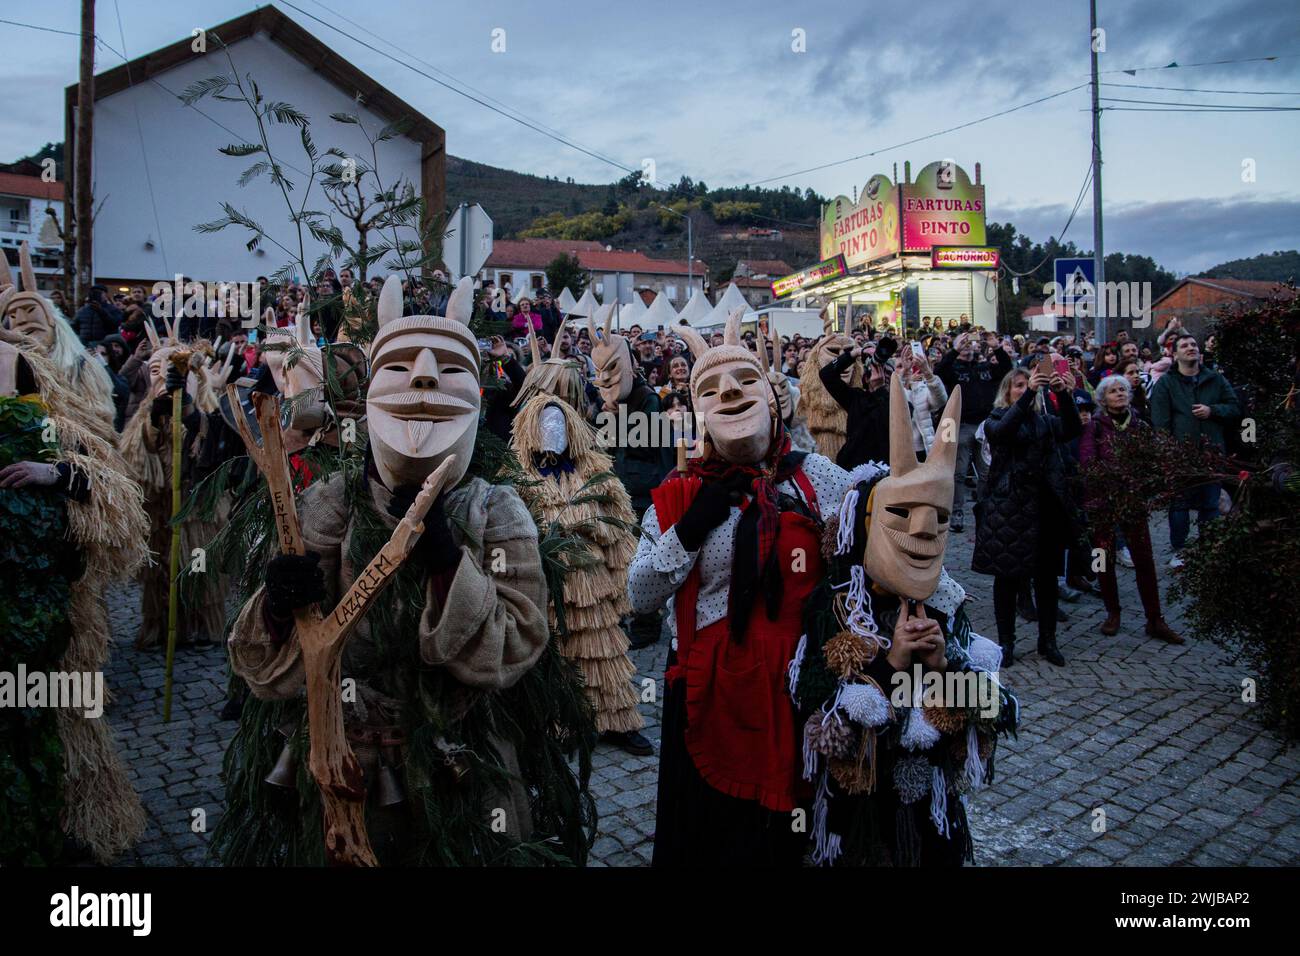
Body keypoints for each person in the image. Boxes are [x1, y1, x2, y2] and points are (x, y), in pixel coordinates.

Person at [218, 276, 595, 866]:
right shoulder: (330, 503)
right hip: (342, 763)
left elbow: (518, 645)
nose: (423, 377)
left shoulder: (497, 509)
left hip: (458, 769)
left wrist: (448, 562)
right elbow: (267, 668)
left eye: (448, 369)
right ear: (368, 395)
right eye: (401, 366)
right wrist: (276, 604)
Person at [630, 313, 851, 866]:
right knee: (716, 841)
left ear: (774, 400)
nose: (729, 391)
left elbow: (874, 558)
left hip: (800, 692)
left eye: (745, 381)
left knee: (787, 840)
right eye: (709, 388)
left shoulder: (818, 478)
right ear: (698, 414)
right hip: (712, 695)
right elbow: (638, 595)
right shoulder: (680, 494)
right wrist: (690, 527)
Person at [509, 329, 653, 756]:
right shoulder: (524, 469)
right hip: (554, 570)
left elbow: (617, 520)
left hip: (590, 565)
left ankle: (612, 718)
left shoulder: (591, 466)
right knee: (561, 644)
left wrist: (619, 566)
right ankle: (564, 721)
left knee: (601, 644)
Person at [972, 364, 1083, 666]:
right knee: (1007, 580)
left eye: (1028, 385)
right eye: (1018, 385)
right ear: (1007, 392)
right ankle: (1006, 642)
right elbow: (1004, 432)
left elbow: (1073, 429)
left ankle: (1048, 641)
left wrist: (1064, 393)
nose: (1024, 389)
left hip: (1045, 509)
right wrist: (1030, 392)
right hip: (1009, 510)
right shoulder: (995, 419)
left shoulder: (1044, 421)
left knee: (1046, 579)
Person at [1080, 375, 1183, 644]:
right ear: (1103, 399)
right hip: (1103, 503)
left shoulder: (1139, 426)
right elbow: (1088, 461)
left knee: (1144, 559)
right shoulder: (1095, 427)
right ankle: (1112, 612)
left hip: (1132, 502)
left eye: (1123, 390)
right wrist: (1113, 479)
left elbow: (1152, 459)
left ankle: (1155, 618)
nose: (1120, 394)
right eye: (1113, 391)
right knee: (1104, 558)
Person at [1149, 332, 1241, 568]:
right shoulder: (1166, 384)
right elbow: (1160, 424)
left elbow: (1235, 408)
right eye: (1185, 345)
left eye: (1193, 344)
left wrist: (1213, 411)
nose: (1191, 348)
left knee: (1210, 504)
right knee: (1179, 505)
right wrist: (1169, 455)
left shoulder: (1216, 380)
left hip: (1212, 454)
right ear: (1174, 353)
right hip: (1180, 457)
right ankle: (1180, 550)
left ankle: (1207, 548)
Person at [935, 330, 1012, 533]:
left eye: (970, 342)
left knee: (986, 473)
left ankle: (985, 510)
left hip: (985, 426)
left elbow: (1007, 370)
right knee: (958, 473)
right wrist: (954, 350)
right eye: (964, 342)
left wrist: (996, 346)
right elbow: (939, 372)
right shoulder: (953, 369)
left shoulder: (984, 367)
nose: (968, 344)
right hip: (960, 425)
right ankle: (957, 513)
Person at [898, 344, 949, 458]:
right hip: (900, 450)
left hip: (922, 449)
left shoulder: (920, 389)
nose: (908, 367)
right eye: (899, 366)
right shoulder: (893, 391)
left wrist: (928, 373)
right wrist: (903, 373)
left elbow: (941, 400)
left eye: (910, 365)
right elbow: (894, 401)